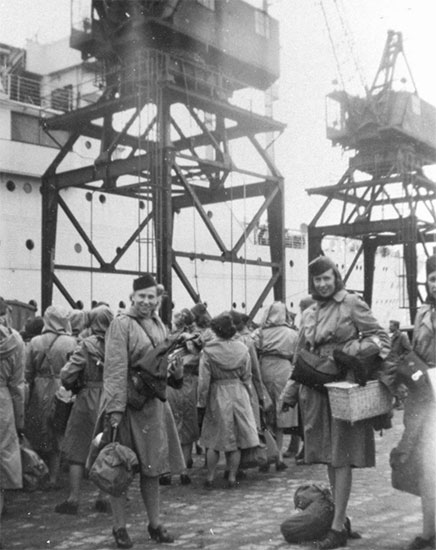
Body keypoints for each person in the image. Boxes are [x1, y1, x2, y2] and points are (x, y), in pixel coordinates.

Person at [281, 256, 391, 549]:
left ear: (336, 277)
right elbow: (300, 355)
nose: (322, 284)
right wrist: (289, 394)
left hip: (343, 386)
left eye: (327, 278)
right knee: (331, 457)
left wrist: (351, 350)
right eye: (317, 280)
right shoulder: (310, 311)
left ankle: (338, 527)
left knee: (341, 457)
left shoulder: (352, 303)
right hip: (316, 390)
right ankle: (340, 519)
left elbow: (382, 338)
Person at [99, 273, 185, 548]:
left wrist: (176, 370)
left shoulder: (160, 324)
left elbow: (163, 367)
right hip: (127, 406)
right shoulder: (121, 324)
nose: (147, 301)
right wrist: (114, 410)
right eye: (142, 297)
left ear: (158, 299)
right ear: (132, 297)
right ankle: (119, 528)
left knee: (153, 469)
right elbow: (114, 368)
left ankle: (155, 524)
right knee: (120, 468)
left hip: (153, 406)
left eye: (152, 297)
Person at [55, 305, 114, 515]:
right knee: (106, 447)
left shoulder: (85, 346)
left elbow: (67, 374)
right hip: (110, 398)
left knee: (77, 448)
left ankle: (73, 498)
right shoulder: (118, 345)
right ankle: (104, 497)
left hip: (86, 399)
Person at [395, 255, 436, 550]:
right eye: (433, 278)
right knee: (426, 465)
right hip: (424, 397)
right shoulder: (422, 313)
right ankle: (428, 531)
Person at [197, 312, 259, 488]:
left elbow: (203, 382)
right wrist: (249, 395)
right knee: (237, 441)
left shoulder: (208, 351)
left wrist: (201, 402)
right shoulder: (242, 349)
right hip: (239, 393)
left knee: (212, 440)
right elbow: (247, 376)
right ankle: (232, 477)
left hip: (217, 393)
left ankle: (210, 476)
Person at [25, 305, 76, 489]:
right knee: (58, 429)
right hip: (62, 388)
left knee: (39, 428)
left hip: (39, 387)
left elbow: (27, 371)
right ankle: (55, 476)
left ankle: (40, 473)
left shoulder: (35, 342)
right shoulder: (71, 342)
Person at [253, 301, 299, 469]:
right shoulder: (292, 334)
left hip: (265, 368)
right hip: (284, 370)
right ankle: (278, 455)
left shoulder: (259, 332)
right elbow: (296, 356)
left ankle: (266, 454)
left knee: (266, 412)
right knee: (281, 413)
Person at [165, 308, 202, 485]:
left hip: (170, 384)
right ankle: (184, 470)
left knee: (169, 425)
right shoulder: (197, 340)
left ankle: (166, 470)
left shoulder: (169, 338)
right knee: (187, 424)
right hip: (190, 384)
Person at [0, 299, 25, 547]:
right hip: (3, 399)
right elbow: (18, 384)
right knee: (4, 449)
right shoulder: (15, 341)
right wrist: (20, 418)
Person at [389, 320, 412, 409]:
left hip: (399, 363)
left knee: (400, 383)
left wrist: (400, 358)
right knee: (394, 383)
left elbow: (409, 350)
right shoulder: (393, 336)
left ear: (396, 327)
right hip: (393, 363)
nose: (389, 327)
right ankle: (398, 402)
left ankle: (403, 403)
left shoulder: (402, 336)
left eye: (391, 326)